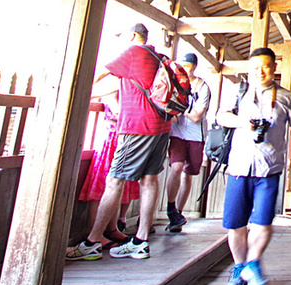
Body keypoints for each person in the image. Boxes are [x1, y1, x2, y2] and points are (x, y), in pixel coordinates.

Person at [66, 23, 170, 261]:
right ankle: (141, 240)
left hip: (136, 127)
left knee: (114, 181)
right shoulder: (158, 56)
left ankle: (92, 242)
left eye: (122, 36)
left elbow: (96, 76)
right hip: (161, 126)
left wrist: (74, 87)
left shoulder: (133, 53)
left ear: (133, 36)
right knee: (149, 179)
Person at [218, 47, 291, 285]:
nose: (261, 71)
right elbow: (221, 116)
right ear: (249, 69)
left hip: (269, 167)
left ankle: (254, 262)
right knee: (236, 223)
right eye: (256, 67)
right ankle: (239, 268)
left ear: (274, 68)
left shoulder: (285, 97)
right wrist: (242, 123)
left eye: (266, 66)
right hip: (239, 165)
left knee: (263, 221)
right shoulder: (238, 91)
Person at [69, 85, 136, 255]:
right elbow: (119, 112)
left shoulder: (126, 88)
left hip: (123, 140)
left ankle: (112, 229)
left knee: (117, 187)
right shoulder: (110, 91)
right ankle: (97, 235)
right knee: (102, 187)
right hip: (110, 140)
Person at [165, 54, 211, 232]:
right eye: (184, 65)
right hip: (177, 134)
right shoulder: (175, 84)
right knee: (176, 168)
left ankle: (178, 212)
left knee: (188, 173)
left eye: (190, 66)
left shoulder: (202, 87)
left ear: (195, 67)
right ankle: (171, 209)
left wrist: (181, 109)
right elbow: (170, 111)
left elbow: (197, 116)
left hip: (195, 135)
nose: (186, 68)